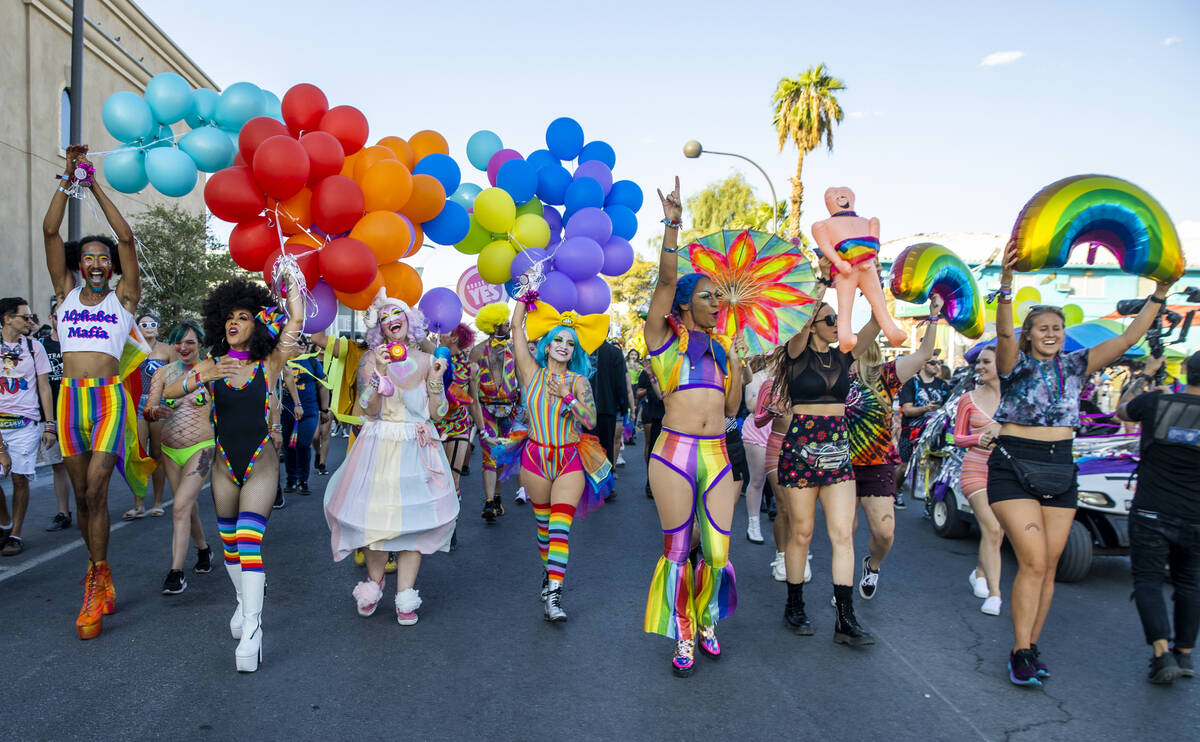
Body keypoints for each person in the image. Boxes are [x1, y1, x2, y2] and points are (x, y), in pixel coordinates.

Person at [989, 238, 1173, 686]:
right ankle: (1017, 651)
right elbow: (1005, 334)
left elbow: (1130, 336)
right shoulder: (1014, 363)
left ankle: (1032, 645)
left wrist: (1160, 294)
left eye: (1057, 327)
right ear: (1031, 334)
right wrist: (1008, 283)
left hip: (1060, 465)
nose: (1051, 333)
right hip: (1014, 463)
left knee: (1049, 565)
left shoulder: (1077, 365)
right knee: (1032, 561)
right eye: (1043, 327)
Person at [161, 276, 304, 671]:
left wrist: (293, 289)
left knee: (248, 539)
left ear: (255, 324)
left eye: (243, 317)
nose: (234, 323)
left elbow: (294, 322)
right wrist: (201, 376)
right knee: (229, 547)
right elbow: (171, 391)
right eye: (229, 317)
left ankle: (254, 629)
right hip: (223, 465)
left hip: (261, 462)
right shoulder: (213, 364)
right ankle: (244, 601)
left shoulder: (270, 363)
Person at [43, 145, 146, 640]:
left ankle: (93, 582)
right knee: (85, 505)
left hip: (107, 398)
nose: (98, 263)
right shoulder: (64, 292)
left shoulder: (124, 298)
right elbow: (49, 231)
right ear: (78, 266)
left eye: (103, 257)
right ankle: (99, 571)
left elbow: (125, 236)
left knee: (94, 490)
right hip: (69, 399)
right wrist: (67, 178)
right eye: (89, 258)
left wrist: (94, 183)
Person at [642, 178, 743, 677]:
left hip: (717, 452)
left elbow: (732, 405)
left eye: (718, 297)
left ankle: (706, 618)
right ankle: (683, 629)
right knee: (679, 548)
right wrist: (672, 225)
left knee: (718, 550)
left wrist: (739, 362)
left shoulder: (723, 348)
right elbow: (664, 282)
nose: (716, 302)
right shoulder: (663, 340)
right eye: (707, 297)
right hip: (674, 453)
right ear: (684, 304)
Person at [323, 291, 457, 626]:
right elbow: (368, 407)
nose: (389, 321)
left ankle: (405, 594)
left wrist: (438, 382)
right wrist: (378, 371)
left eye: (395, 314)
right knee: (375, 521)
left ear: (409, 321)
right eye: (383, 318)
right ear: (380, 329)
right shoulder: (372, 358)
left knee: (415, 524)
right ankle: (375, 582)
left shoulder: (427, 361)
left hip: (416, 446)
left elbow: (439, 415)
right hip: (379, 444)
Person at [773, 257, 879, 646]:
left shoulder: (845, 355)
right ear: (815, 324)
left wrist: (873, 286)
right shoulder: (796, 350)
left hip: (837, 444)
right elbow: (799, 326)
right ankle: (794, 605)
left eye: (837, 319)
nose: (838, 324)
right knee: (801, 533)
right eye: (830, 320)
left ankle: (845, 618)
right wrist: (821, 283)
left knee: (843, 535)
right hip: (801, 444)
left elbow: (872, 326)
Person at [502, 297, 613, 620]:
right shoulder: (529, 373)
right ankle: (549, 574)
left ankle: (554, 595)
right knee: (542, 529)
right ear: (547, 346)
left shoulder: (579, 382)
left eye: (570, 342)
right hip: (535, 457)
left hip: (569, 460)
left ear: (575, 351)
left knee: (560, 529)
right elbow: (515, 329)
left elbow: (591, 420)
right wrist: (523, 298)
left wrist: (566, 397)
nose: (563, 346)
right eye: (558, 340)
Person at [845, 295, 942, 601]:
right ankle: (842, 588)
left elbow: (925, 352)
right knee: (844, 533)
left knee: (885, 534)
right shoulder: (836, 378)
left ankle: (871, 565)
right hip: (842, 465)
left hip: (878, 464)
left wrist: (934, 317)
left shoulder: (885, 375)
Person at [1117, 352, 1200, 684]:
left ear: (1185, 371)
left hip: (1151, 509)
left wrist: (1144, 377)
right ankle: (1185, 654)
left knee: (1149, 581)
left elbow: (1122, 409)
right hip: (1195, 514)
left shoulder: (1156, 402)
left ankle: (1161, 653)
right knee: (1190, 583)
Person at [143, 320, 214, 594]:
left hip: (202, 448)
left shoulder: (209, 370)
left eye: (190, 342)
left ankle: (175, 572)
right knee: (187, 507)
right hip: (170, 450)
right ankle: (204, 550)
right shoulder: (162, 373)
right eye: (179, 342)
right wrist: (155, 413)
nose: (183, 347)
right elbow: (149, 408)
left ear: (200, 344)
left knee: (180, 506)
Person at [0, 298, 56, 556]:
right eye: (25, 316)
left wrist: (49, 424)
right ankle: (4, 522)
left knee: (20, 478)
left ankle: (15, 534)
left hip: (26, 423)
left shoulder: (34, 347)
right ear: (7, 318)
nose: (31, 321)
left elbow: (44, 387)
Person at [953, 346, 1005, 616]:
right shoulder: (968, 399)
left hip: (1007, 472)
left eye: (986, 362)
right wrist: (978, 438)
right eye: (978, 362)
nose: (980, 367)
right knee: (993, 529)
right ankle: (995, 594)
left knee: (998, 531)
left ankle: (980, 573)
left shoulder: (1015, 397)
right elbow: (957, 437)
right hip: (976, 469)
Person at [470, 302, 520, 522]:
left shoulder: (515, 350)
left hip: (510, 411)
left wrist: (525, 408)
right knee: (489, 456)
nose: (507, 328)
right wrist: (476, 416)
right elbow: (470, 386)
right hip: (486, 409)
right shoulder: (478, 351)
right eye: (504, 325)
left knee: (503, 456)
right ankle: (489, 501)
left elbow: (523, 380)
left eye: (508, 324)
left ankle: (497, 495)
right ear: (492, 327)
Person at [128, 310, 172, 519]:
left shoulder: (167, 350)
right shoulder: (130, 349)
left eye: (152, 323)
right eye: (143, 325)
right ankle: (138, 504)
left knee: (157, 452)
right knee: (138, 452)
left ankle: (157, 502)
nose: (148, 327)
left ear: (158, 327)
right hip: (136, 403)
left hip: (159, 402)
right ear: (137, 328)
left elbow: (176, 376)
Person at [897, 353, 950, 509]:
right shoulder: (911, 384)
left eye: (939, 363)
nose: (937, 366)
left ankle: (930, 503)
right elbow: (907, 410)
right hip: (912, 432)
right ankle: (895, 491)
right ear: (922, 365)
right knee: (905, 467)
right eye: (933, 362)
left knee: (934, 469)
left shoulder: (942, 386)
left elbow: (949, 409)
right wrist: (925, 408)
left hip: (935, 434)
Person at [37, 298, 72, 532]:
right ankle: (63, 512)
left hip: (75, 411)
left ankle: (89, 506)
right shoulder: (40, 346)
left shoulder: (78, 345)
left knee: (82, 463)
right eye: (58, 316)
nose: (63, 321)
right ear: (52, 318)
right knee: (57, 465)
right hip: (50, 415)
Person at [434, 323, 477, 502]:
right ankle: (436, 523)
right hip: (434, 426)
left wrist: (483, 430)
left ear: (454, 338)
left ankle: (452, 526)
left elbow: (474, 402)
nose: (439, 334)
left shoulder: (469, 367)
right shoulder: (433, 361)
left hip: (459, 426)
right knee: (433, 481)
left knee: (454, 480)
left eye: (445, 331)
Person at [280, 338, 327, 495]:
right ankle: (291, 479)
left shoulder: (312, 362)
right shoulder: (281, 361)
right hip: (286, 410)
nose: (301, 344)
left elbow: (322, 386)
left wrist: (325, 410)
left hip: (309, 410)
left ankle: (303, 480)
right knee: (288, 446)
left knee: (302, 443)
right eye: (297, 341)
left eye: (304, 342)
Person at [741, 356, 771, 544]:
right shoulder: (757, 377)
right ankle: (753, 524)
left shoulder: (789, 377)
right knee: (758, 479)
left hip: (782, 431)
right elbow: (751, 406)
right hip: (758, 432)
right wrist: (771, 394)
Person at [588, 337, 629, 466]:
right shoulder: (614, 352)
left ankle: (589, 482)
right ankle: (606, 481)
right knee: (606, 447)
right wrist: (624, 408)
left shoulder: (584, 349)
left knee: (588, 448)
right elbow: (621, 384)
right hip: (608, 407)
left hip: (586, 408)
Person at [635, 355, 664, 498]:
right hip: (651, 412)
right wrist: (650, 387)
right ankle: (650, 481)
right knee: (651, 446)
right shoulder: (646, 372)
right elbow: (638, 392)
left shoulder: (670, 369)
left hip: (666, 414)